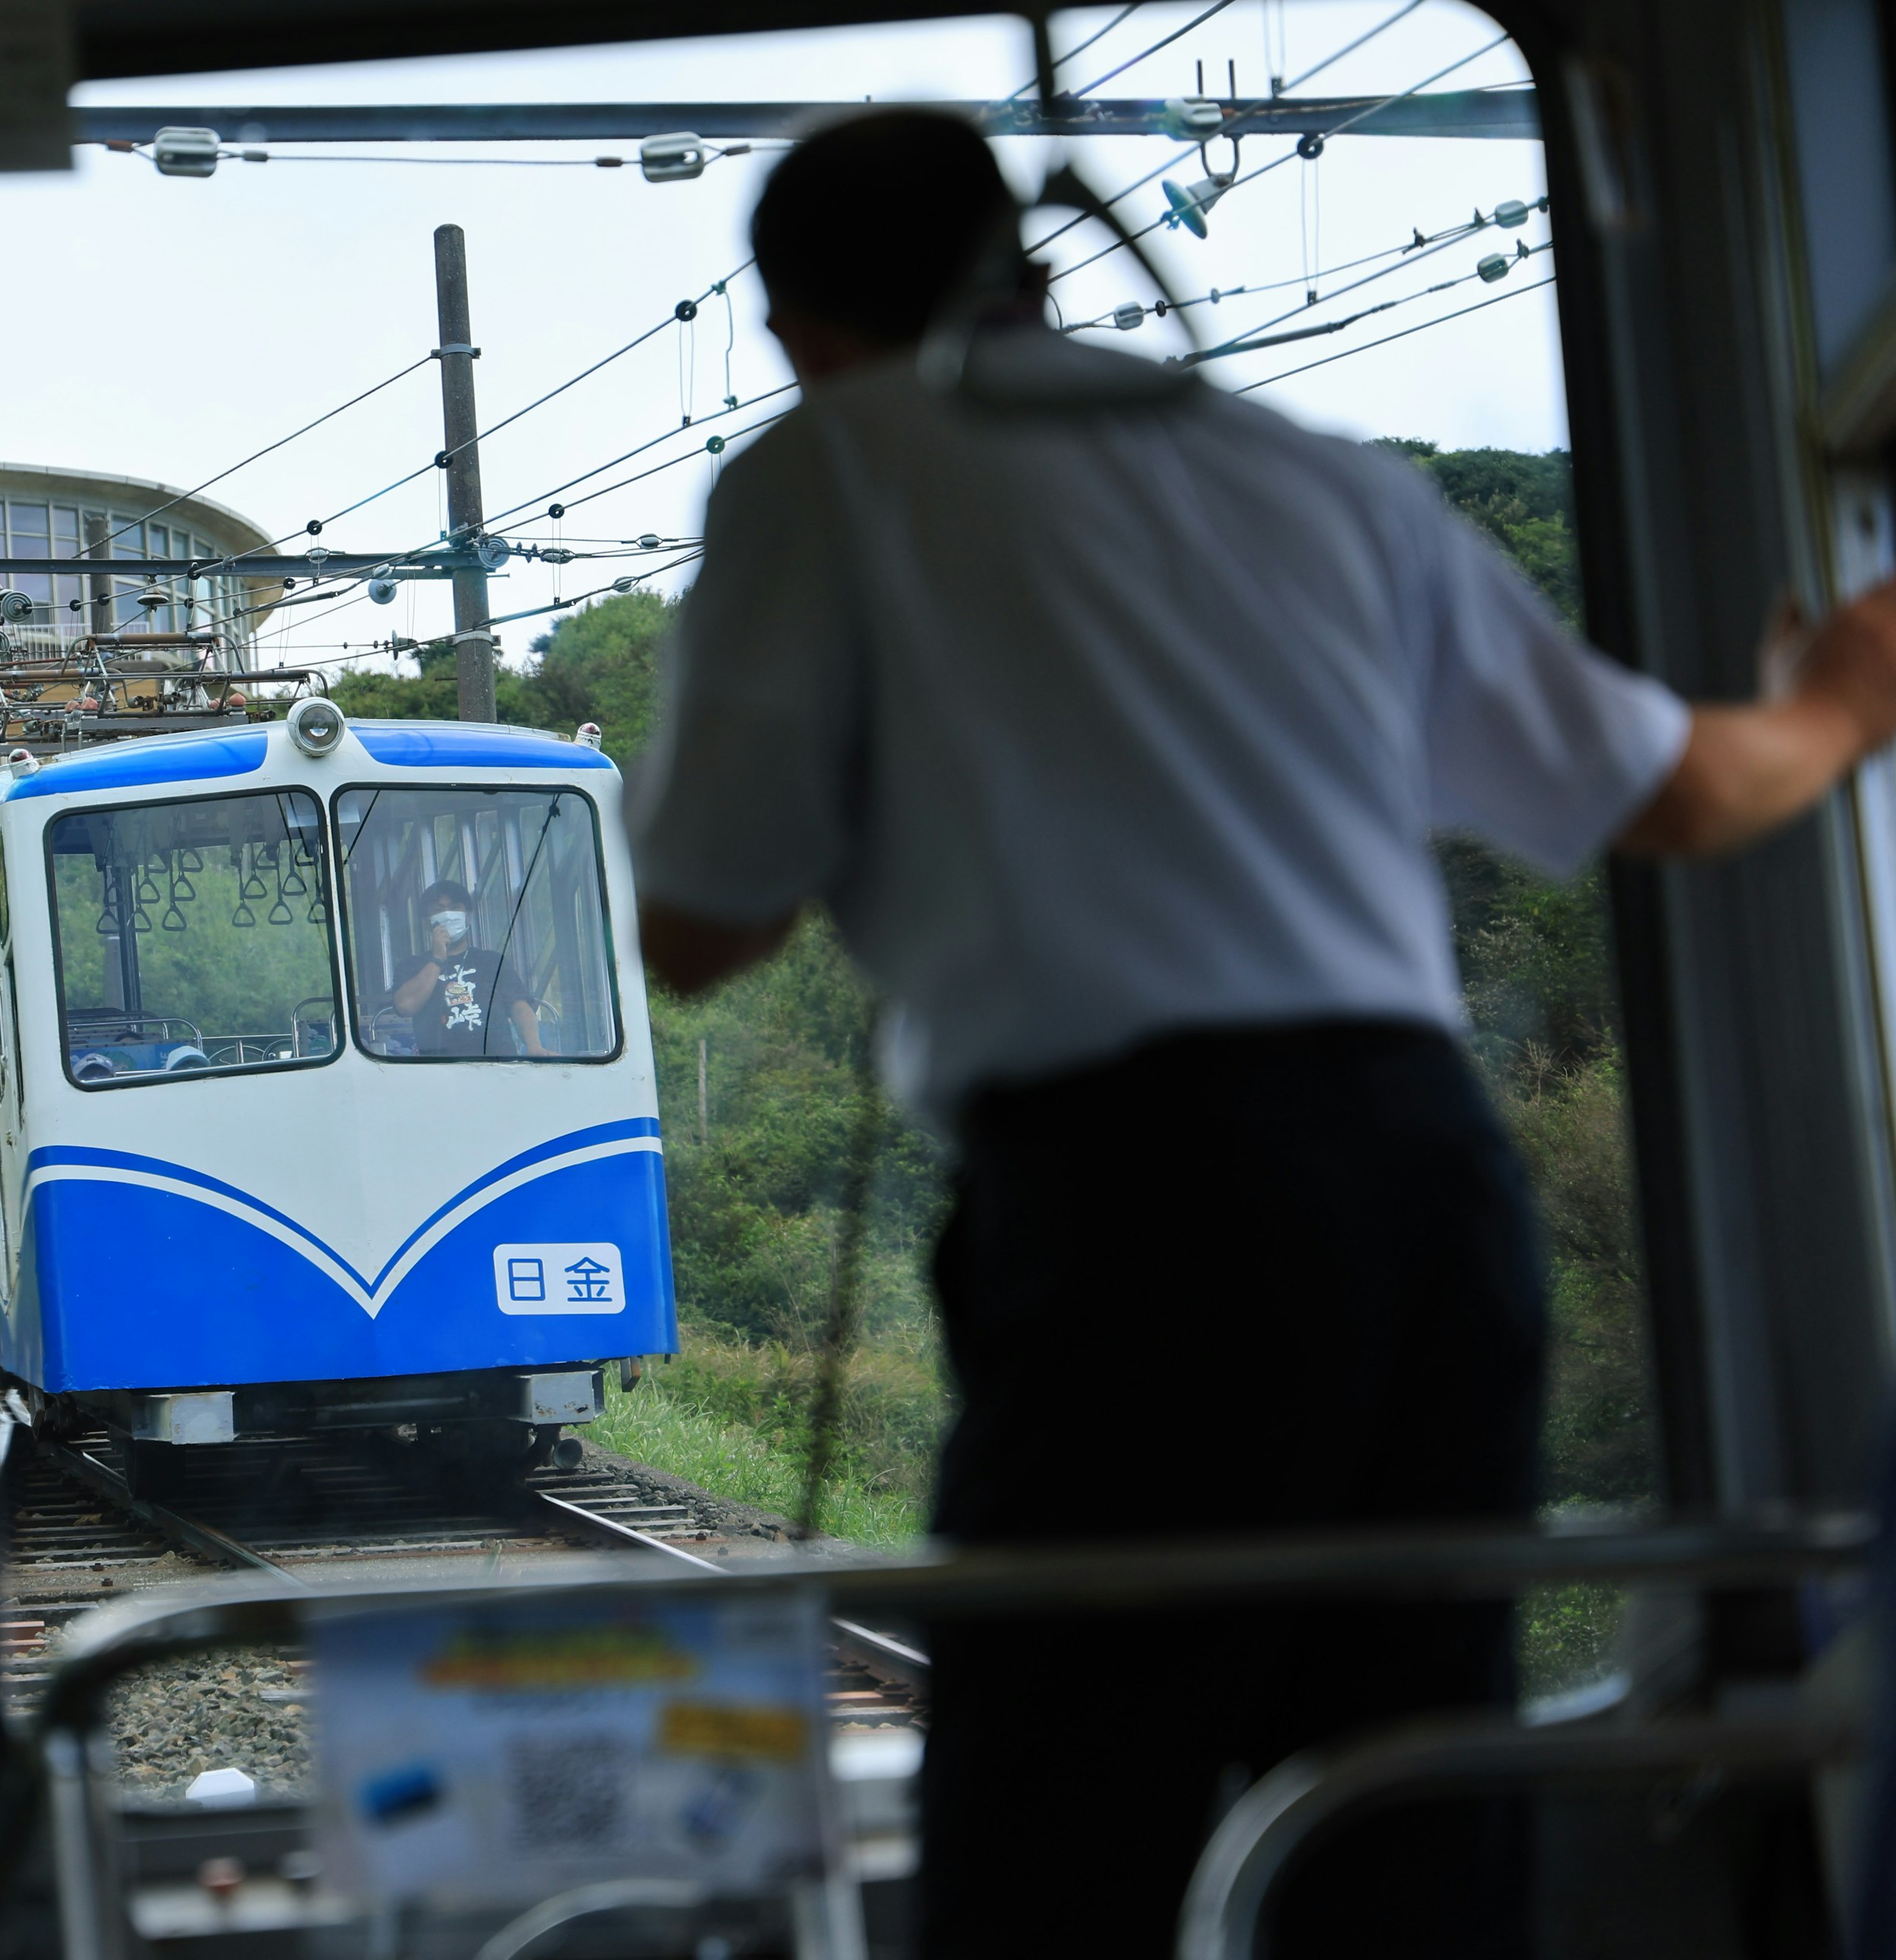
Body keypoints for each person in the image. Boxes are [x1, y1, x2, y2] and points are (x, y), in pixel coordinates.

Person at [629, 110, 1896, 1959]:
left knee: (1053, 1817)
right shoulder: (1320, 479)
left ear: (798, 326)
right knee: (1403, 1800)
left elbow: (697, 926)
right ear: (1035, 268)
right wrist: (1842, 689)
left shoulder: (825, 474)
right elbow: (1691, 792)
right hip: (1433, 1189)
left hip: (1138, 1203)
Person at [389, 880, 544, 1056]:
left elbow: (519, 1007)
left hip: (498, 1065)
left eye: (455, 907)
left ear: (468, 916)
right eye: (438, 909)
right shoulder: (411, 966)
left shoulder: (492, 961)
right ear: (426, 922)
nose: (448, 914)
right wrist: (437, 959)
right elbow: (406, 1006)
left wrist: (534, 1046)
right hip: (438, 1070)